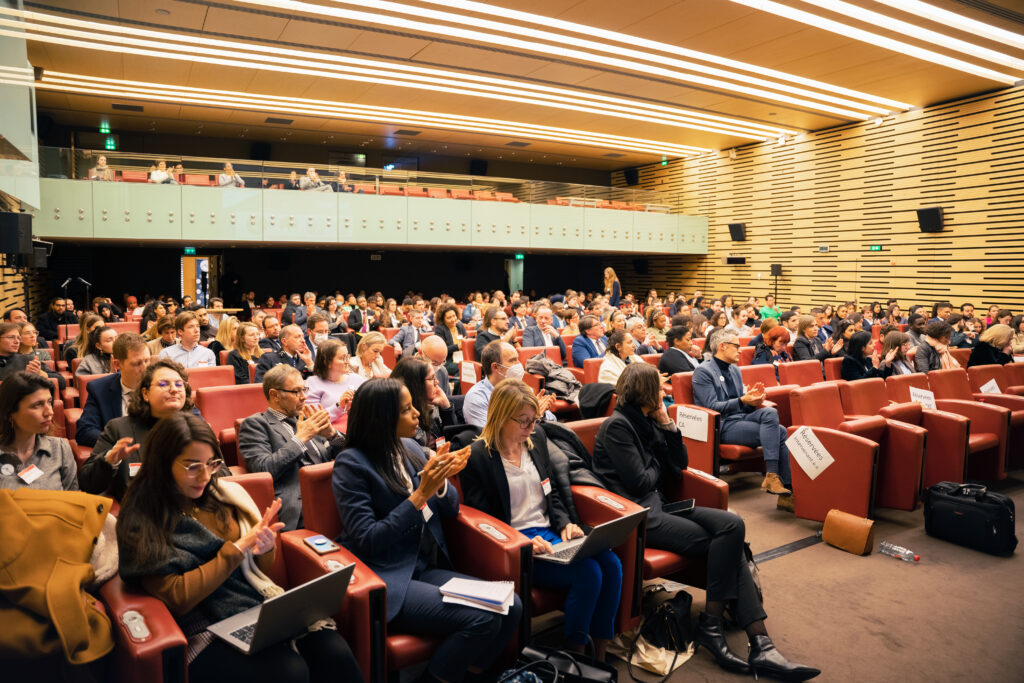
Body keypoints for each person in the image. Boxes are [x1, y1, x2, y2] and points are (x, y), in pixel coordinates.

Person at [593, 363, 817, 680]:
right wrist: (659, 460)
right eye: (659, 387)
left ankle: (721, 628)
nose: (664, 392)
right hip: (638, 516)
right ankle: (757, 643)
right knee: (727, 541)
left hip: (661, 505)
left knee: (732, 526)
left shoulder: (648, 421)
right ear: (644, 391)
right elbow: (642, 482)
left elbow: (681, 462)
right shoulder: (618, 427)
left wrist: (667, 424)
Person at [116, 412, 361, 683]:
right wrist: (238, 548)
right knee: (289, 671)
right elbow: (177, 597)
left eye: (211, 464)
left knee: (333, 650)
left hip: (248, 605)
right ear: (161, 464)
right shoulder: (143, 517)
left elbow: (256, 571)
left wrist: (263, 549)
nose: (205, 476)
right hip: (198, 627)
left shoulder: (221, 496)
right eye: (192, 466)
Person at [333, 378, 521, 683]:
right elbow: (368, 539)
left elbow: (450, 509)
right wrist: (420, 495)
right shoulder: (351, 464)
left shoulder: (409, 447)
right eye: (407, 410)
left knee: (513, 605)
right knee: (481, 619)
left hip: (425, 567)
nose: (418, 414)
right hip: (389, 575)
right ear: (383, 418)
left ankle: (472, 673)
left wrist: (443, 480)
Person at [461, 379, 621, 659]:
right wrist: (520, 541)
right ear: (500, 416)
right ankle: (578, 655)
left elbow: (551, 494)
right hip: (516, 545)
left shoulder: (536, 442)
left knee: (612, 563)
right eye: (524, 422)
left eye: (534, 420)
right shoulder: (478, 456)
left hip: (550, 534)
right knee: (589, 573)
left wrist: (565, 524)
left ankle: (601, 655)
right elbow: (484, 519)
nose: (531, 428)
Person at [692, 331, 794, 505]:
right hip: (722, 425)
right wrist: (741, 400)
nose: (741, 350)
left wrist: (752, 401)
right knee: (780, 432)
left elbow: (742, 405)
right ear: (722, 346)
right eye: (736, 346)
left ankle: (773, 477)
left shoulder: (734, 369)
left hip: (741, 418)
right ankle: (787, 493)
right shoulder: (703, 372)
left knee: (770, 413)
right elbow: (710, 408)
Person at [238, 365, 344, 530]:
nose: (304, 397)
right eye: (296, 392)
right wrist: (300, 439)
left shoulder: (306, 418)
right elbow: (263, 469)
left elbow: (349, 456)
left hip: (335, 489)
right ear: (275, 395)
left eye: (304, 390)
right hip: (301, 501)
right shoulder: (256, 425)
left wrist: (332, 436)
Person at [79, 359, 196, 501]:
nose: (174, 389)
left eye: (179, 384)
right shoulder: (119, 428)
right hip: (143, 514)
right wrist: (109, 461)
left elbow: (220, 472)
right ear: (145, 393)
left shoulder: (195, 427)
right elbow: (87, 483)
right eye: (164, 384)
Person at [0, 372, 77, 491]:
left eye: (49, 402)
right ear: (10, 413)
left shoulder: (60, 448)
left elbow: (73, 499)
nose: (49, 412)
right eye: (37, 405)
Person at [76, 333, 151, 447]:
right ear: (117, 364)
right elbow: (85, 431)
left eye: (147, 361)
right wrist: (120, 443)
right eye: (137, 363)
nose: (145, 369)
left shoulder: (162, 384)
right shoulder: (99, 389)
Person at [390, 357, 451, 449]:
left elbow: (450, 438)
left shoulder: (430, 404)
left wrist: (446, 408)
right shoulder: (400, 416)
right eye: (432, 378)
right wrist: (426, 453)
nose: (437, 382)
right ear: (416, 384)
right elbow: (407, 448)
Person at [304, 339, 363, 426]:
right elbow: (314, 420)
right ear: (327, 362)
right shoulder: (313, 383)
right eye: (343, 358)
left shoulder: (357, 379)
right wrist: (339, 406)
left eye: (348, 357)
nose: (347, 361)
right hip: (329, 434)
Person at [433, 302, 468, 377]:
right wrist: (457, 347)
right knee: (462, 368)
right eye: (449, 318)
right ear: (443, 319)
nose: (453, 319)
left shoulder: (460, 326)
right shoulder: (440, 329)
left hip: (462, 358)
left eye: (454, 316)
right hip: (448, 361)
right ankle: (455, 386)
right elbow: (441, 350)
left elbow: (466, 341)